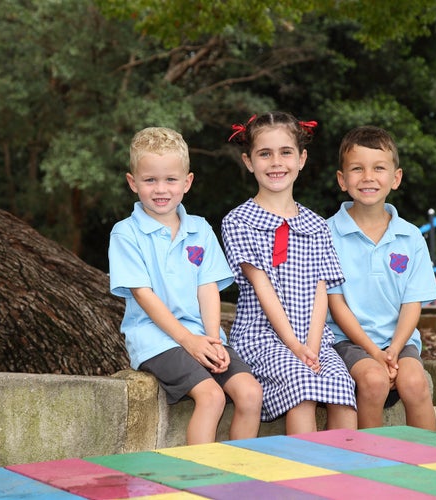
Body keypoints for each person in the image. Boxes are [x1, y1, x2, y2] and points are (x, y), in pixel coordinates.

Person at [108, 126, 262, 445]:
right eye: (150, 180)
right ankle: (199, 483)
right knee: (211, 397)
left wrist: (213, 338)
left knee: (250, 393)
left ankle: (240, 478)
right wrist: (189, 341)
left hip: (202, 334)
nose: (160, 189)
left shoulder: (200, 229)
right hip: (157, 339)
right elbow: (144, 296)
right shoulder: (126, 234)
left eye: (170, 179)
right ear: (133, 182)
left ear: (187, 182)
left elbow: (207, 287)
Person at [221, 111, 357, 435]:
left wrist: (311, 344)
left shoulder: (317, 225)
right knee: (302, 385)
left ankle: (345, 476)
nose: (276, 162)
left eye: (285, 152)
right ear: (248, 161)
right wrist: (296, 348)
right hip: (263, 337)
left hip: (314, 338)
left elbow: (321, 289)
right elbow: (261, 286)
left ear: (302, 159)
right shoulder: (238, 221)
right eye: (264, 154)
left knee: (343, 388)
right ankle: (300, 478)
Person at [326, 125, 436, 430]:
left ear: (396, 178)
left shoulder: (411, 236)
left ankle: (431, 465)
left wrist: (392, 349)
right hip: (346, 341)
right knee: (374, 381)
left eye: (379, 168)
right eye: (357, 169)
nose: (368, 177)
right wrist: (375, 352)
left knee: (416, 383)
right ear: (342, 180)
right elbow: (335, 304)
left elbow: (412, 303)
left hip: (399, 341)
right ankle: (372, 467)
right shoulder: (326, 234)